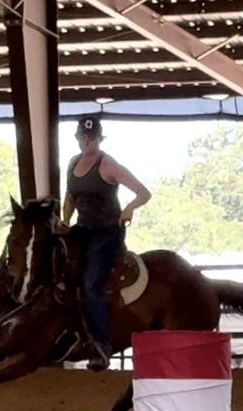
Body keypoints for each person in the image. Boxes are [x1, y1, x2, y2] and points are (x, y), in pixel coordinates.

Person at [60, 116, 152, 371]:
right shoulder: (72, 163)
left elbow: (143, 192)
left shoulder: (108, 165)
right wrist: (65, 221)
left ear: (99, 139)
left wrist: (129, 209)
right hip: (82, 228)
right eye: (83, 137)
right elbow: (70, 196)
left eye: (92, 137)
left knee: (91, 284)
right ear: (78, 138)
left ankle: (102, 345)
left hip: (107, 231)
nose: (87, 141)